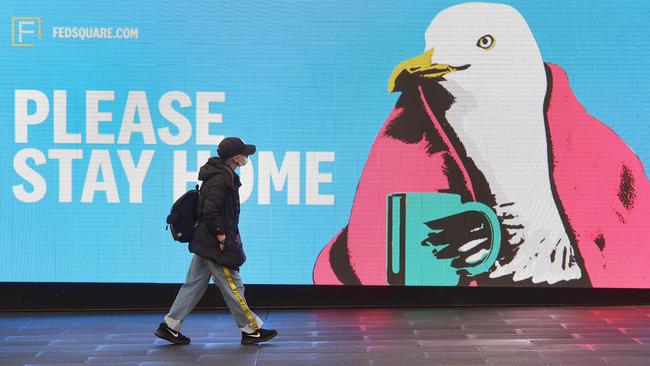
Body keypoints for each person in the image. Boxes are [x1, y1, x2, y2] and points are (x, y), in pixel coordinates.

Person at [155, 137, 277, 345]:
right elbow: (211, 212)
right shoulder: (222, 179)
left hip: (205, 241)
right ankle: (251, 329)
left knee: (193, 284)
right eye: (244, 154)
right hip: (214, 242)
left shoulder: (219, 174)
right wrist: (221, 236)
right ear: (235, 158)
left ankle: (170, 325)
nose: (246, 158)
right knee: (233, 284)